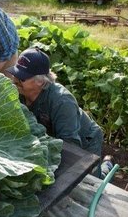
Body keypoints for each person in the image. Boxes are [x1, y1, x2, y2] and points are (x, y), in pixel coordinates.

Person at [7, 48, 112, 177]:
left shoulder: (62, 101)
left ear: (40, 81)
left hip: (85, 142)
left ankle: (107, 167)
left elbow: (71, 146)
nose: (15, 80)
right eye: (15, 74)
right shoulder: (19, 93)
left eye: (21, 77)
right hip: (54, 137)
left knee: (90, 182)